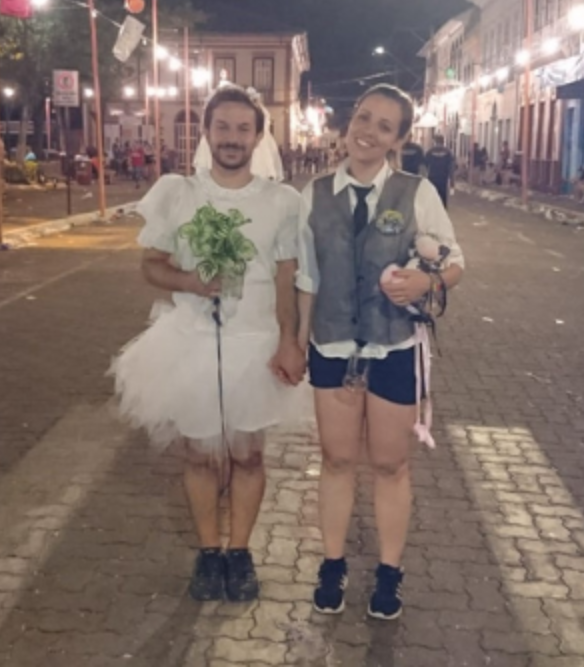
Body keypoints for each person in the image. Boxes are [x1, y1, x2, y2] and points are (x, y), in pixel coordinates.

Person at [111, 84, 306, 604]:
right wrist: (192, 282)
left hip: (257, 343)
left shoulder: (282, 202)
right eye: (222, 127)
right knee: (198, 455)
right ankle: (207, 552)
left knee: (248, 455)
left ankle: (239, 552)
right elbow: (151, 265)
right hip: (192, 342)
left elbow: (287, 278)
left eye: (243, 128)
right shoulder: (178, 193)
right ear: (206, 132)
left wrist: (291, 340)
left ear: (259, 137)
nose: (232, 138)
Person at [296, 84, 464, 620]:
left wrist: (425, 282)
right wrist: (296, 343)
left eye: (384, 126)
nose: (368, 131)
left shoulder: (416, 192)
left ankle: (389, 572)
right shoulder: (315, 193)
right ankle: (332, 564)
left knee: (390, 464)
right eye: (363, 118)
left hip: (393, 346)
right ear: (351, 122)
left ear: (398, 140)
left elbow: (454, 262)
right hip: (332, 345)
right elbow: (306, 277)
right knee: (337, 459)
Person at [425, 134, 454, 208]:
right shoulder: (448, 152)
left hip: (432, 177)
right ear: (443, 141)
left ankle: (433, 208)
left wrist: (424, 178)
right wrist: (452, 182)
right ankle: (442, 209)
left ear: (435, 141)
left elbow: (425, 165)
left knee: (432, 195)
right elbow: (451, 167)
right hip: (443, 177)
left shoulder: (430, 151)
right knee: (443, 195)